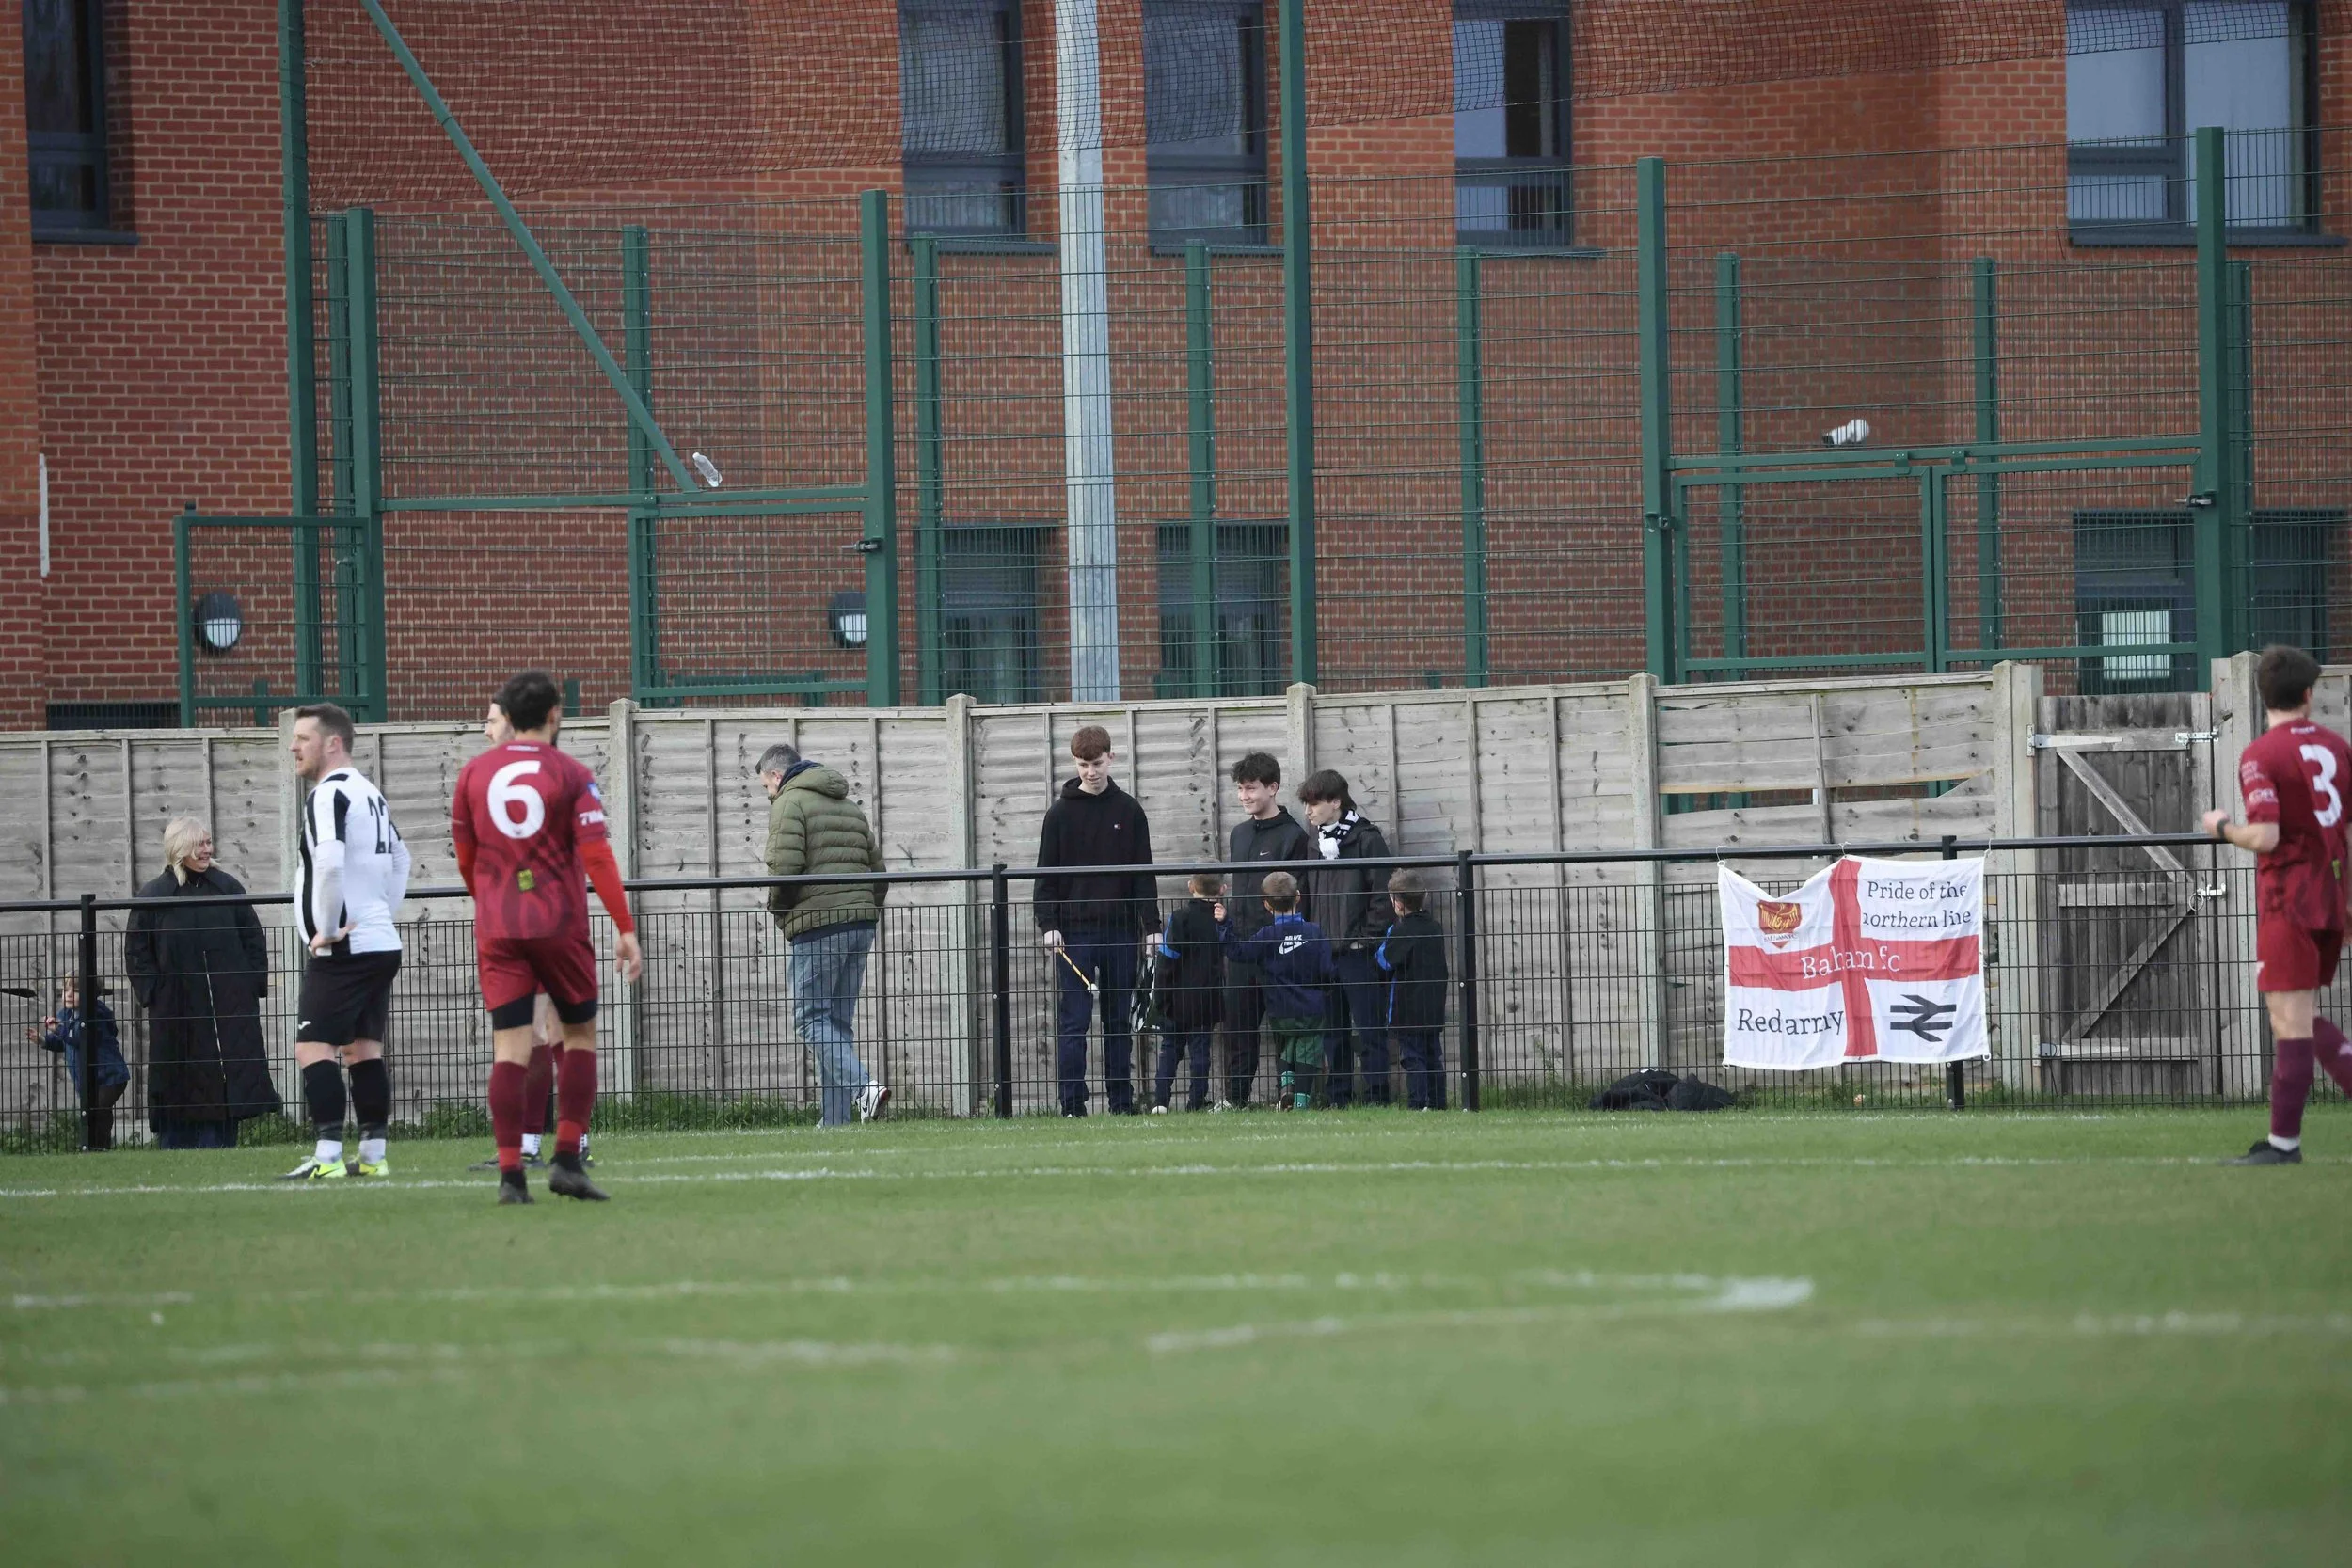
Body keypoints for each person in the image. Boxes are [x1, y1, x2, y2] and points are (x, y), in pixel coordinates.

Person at [453, 670, 644, 1203]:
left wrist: (488, 901)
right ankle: (566, 1160)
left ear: (507, 718)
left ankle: (512, 1176)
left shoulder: (473, 775)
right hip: (559, 923)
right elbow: (597, 855)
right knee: (578, 1037)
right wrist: (624, 928)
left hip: (499, 927)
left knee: (509, 1049)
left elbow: (466, 858)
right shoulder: (572, 774)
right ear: (555, 714)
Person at [2203, 645, 2352, 1165]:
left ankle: (2283, 1146)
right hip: (2332, 895)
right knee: (2303, 1018)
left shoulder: (2262, 755)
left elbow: (2266, 836)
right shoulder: (2338, 748)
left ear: (2263, 695)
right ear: (2309, 694)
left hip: (2289, 898)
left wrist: (2221, 827)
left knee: (2294, 1022)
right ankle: (2282, 1142)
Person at [279, 704, 412, 1181]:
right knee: (363, 1049)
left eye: (302, 738)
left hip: (345, 946)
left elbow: (331, 865)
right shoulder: (370, 793)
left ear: (332, 743)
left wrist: (328, 929)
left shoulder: (327, 795)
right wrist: (380, 912)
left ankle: (328, 1155)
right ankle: (373, 1158)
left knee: (312, 1047)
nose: (293, 747)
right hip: (379, 941)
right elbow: (402, 858)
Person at [465, 698, 582, 1172]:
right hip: (538, 922)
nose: (485, 730)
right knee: (550, 1031)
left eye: (491, 721)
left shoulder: (511, 781)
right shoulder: (533, 775)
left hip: (529, 926)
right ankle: (556, 1140)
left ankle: (534, 1145)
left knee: (535, 1033)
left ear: (513, 725)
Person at [123, 818, 282, 1148]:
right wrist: (155, 993)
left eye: (209, 843)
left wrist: (250, 986)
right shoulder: (155, 895)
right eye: (199, 844)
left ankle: (220, 1143)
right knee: (176, 1072)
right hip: (175, 1007)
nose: (207, 850)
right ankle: (174, 1144)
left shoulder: (227, 887)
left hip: (228, 1005)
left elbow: (253, 938)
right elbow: (137, 950)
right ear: (179, 848)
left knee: (224, 1075)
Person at [759, 740, 892, 1127]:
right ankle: (835, 1121)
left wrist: (780, 913)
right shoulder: (848, 806)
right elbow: (878, 873)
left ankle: (864, 1088)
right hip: (859, 923)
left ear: (776, 775)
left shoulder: (789, 803)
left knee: (809, 1019)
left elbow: (784, 867)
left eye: (766, 788)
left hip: (819, 924)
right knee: (835, 1023)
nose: (769, 795)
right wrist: (866, 913)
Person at [1035, 724, 1156, 1117]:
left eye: (1097, 763)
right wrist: (1047, 924)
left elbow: (1143, 873)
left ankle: (1122, 1104)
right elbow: (1045, 875)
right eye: (1084, 764)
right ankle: (1072, 1106)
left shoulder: (1129, 810)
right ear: (1075, 763)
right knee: (1074, 1023)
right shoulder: (1059, 814)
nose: (1091, 771)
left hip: (1121, 931)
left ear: (1111, 759)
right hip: (1073, 934)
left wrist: (1152, 927)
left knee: (1118, 1022)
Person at [1297, 769, 1395, 1107]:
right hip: (1323, 953)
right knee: (1332, 1033)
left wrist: (1364, 940)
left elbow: (1383, 895)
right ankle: (1338, 1098)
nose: (1308, 812)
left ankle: (1377, 1098)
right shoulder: (1313, 842)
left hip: (1358, 954)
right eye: (1306, 805)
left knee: (1370, 1031)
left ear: (1335, 802)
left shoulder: (1367, 838)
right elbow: (1306, 895)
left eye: (1314, 804)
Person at [1222, 752, 1311, 1108]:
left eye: (1251, 789)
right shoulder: (1238, 834)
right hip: (1242, 951)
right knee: (1239, 1031)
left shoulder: (1294, 836)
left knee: (1285, 1030)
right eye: (1240, 789)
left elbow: (1299, 898)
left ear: (1273, 788)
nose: (1244, 796)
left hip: (1278, 952)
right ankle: (1235, 1099)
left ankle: (1287, 1097)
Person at [1217, 871, 1333, 1111]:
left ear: (1266, 905)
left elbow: (1237, 953)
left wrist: (1224, 925)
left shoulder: (1266, 936)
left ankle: (1286, 1091)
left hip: (1280, 1009)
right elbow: (1327, 969)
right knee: (1307, 1052)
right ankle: (1301, 1102)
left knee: (1287, 1047)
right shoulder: (1315, 932)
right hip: (1311, 1007)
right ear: (1298, 897)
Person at [1375, 869, 1451, 1112]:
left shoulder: (1401, 931)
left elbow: (1385, 961)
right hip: (1433, 1006)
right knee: (1433, 1057)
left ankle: (1417, 1105)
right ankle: (1438, 1104)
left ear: (1397, 904)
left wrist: (1386, 938)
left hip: (1408, 1010)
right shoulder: (1434, 927)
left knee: (1413, 1059)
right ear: (1424, 896)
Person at [1151, 873, 1225, 1113]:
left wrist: (1160, 998)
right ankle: (1196, 1103)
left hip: (1177, 999)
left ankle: (1160, 1102)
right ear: (1222, 890)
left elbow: (1167, 959)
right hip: (1207, 999)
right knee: (1201, 1053)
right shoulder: (1220, 920)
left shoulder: (1180, 918)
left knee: (1170, 1050)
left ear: (1191, 886)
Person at [32, 976, 129, 1145]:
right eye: (65, 990)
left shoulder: (95, 1015)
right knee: (98, 1112)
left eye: (75, 991)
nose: (68, 995)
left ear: (91, 995)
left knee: (97, 1111)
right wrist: (43, 1040)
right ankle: (100, 1146)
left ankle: (96, 1146)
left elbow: (78, 1038)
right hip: (88, 1078)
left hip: (110, 1077)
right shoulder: (65, 1015)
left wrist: (59, 1029)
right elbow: (65, 1042)